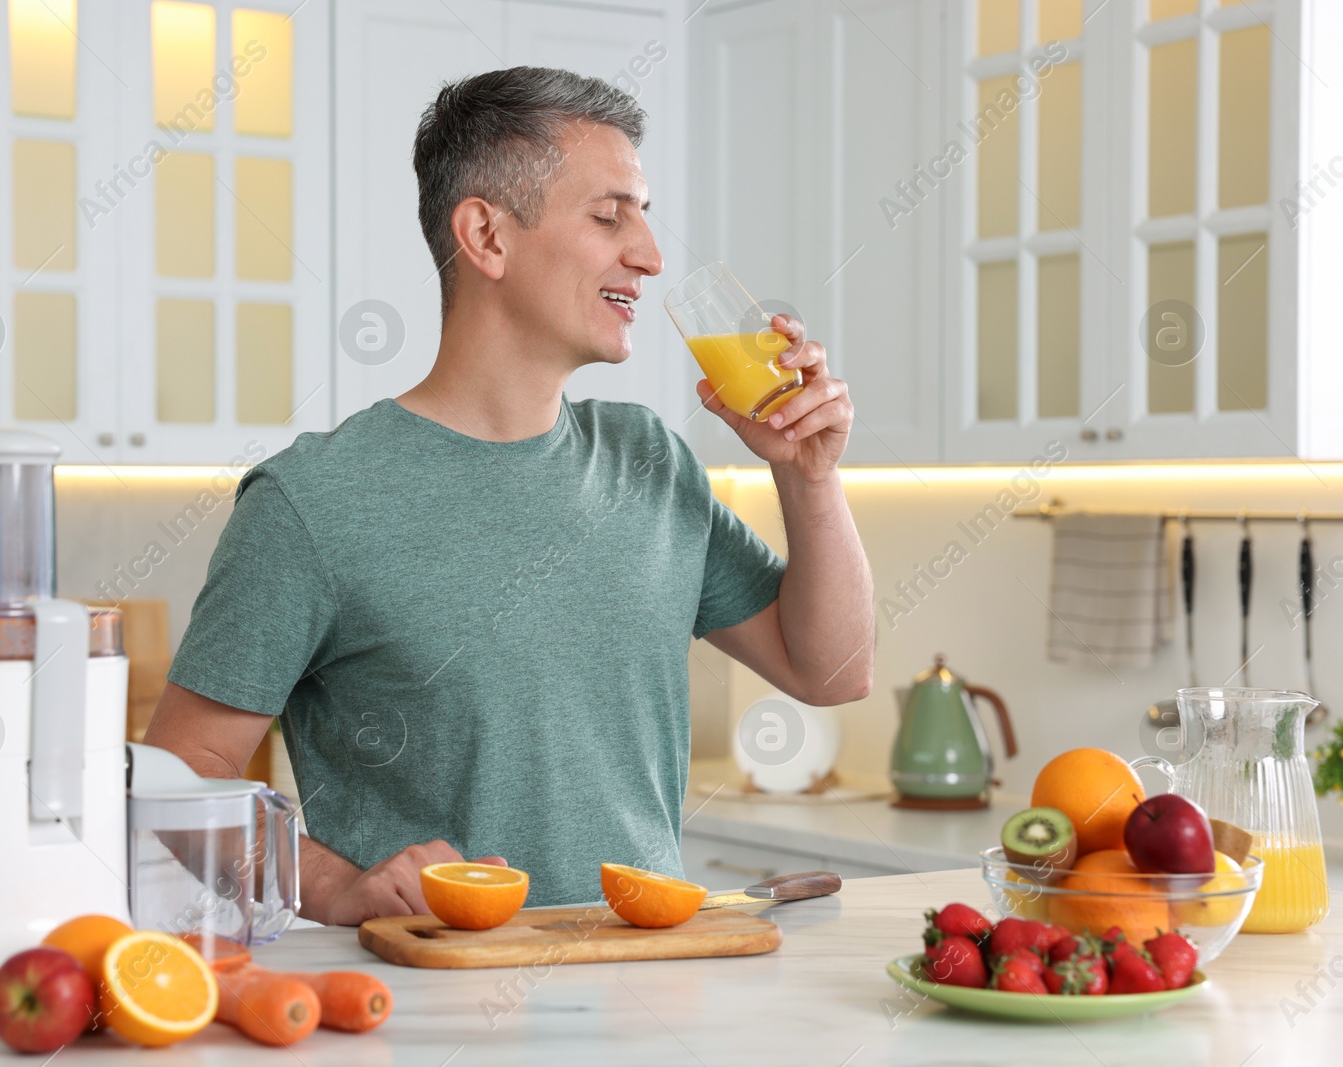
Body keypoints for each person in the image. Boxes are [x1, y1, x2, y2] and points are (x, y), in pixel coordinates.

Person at [143, 66, 874, 925]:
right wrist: (338, 884)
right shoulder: (314, 501)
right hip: (430, 1010)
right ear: (486, 236)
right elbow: (178, 786)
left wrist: (807, 473)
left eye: (642, 213)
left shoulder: (648, 461)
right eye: (610, 215)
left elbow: (831, 670)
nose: (650, 253)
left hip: (648, 988)